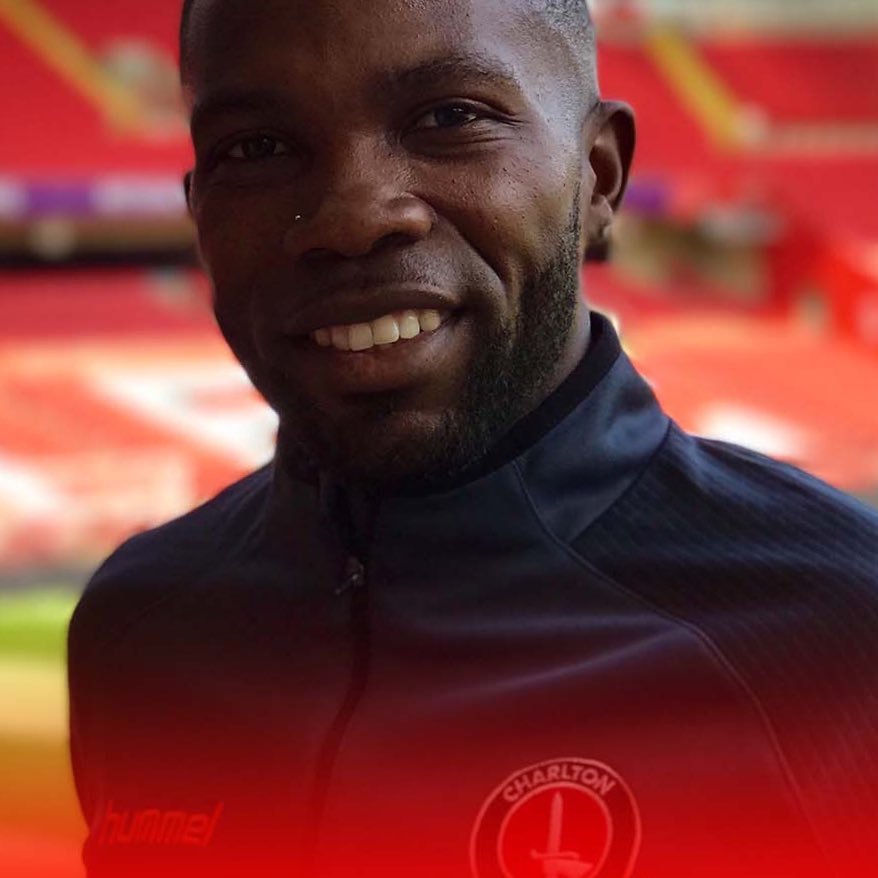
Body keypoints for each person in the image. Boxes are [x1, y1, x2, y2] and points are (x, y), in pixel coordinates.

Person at [67, 1, 878, 876]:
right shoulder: (138, 633)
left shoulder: (840, 636)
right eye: (256, 148)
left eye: (450, 117)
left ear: (598, 177)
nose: (352, 216)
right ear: (198, 212)